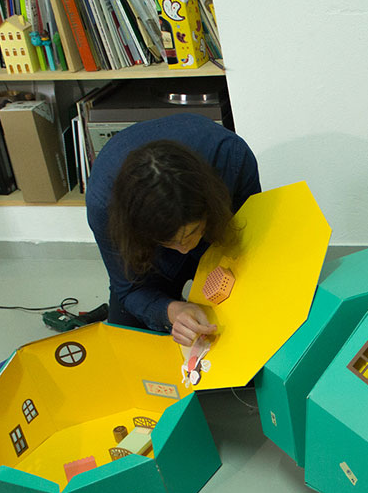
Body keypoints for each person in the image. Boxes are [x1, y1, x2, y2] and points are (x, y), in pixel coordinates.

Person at [86, 114, 261, 346]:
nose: (184, 249)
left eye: (190, 234)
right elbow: (129, 289)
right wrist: (173, 311)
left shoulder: (231, 157)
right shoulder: (105, 208)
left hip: (215, 229)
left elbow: (250, 239)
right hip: (149, 256)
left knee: (249, 316)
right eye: (169, 242)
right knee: (128, 344)